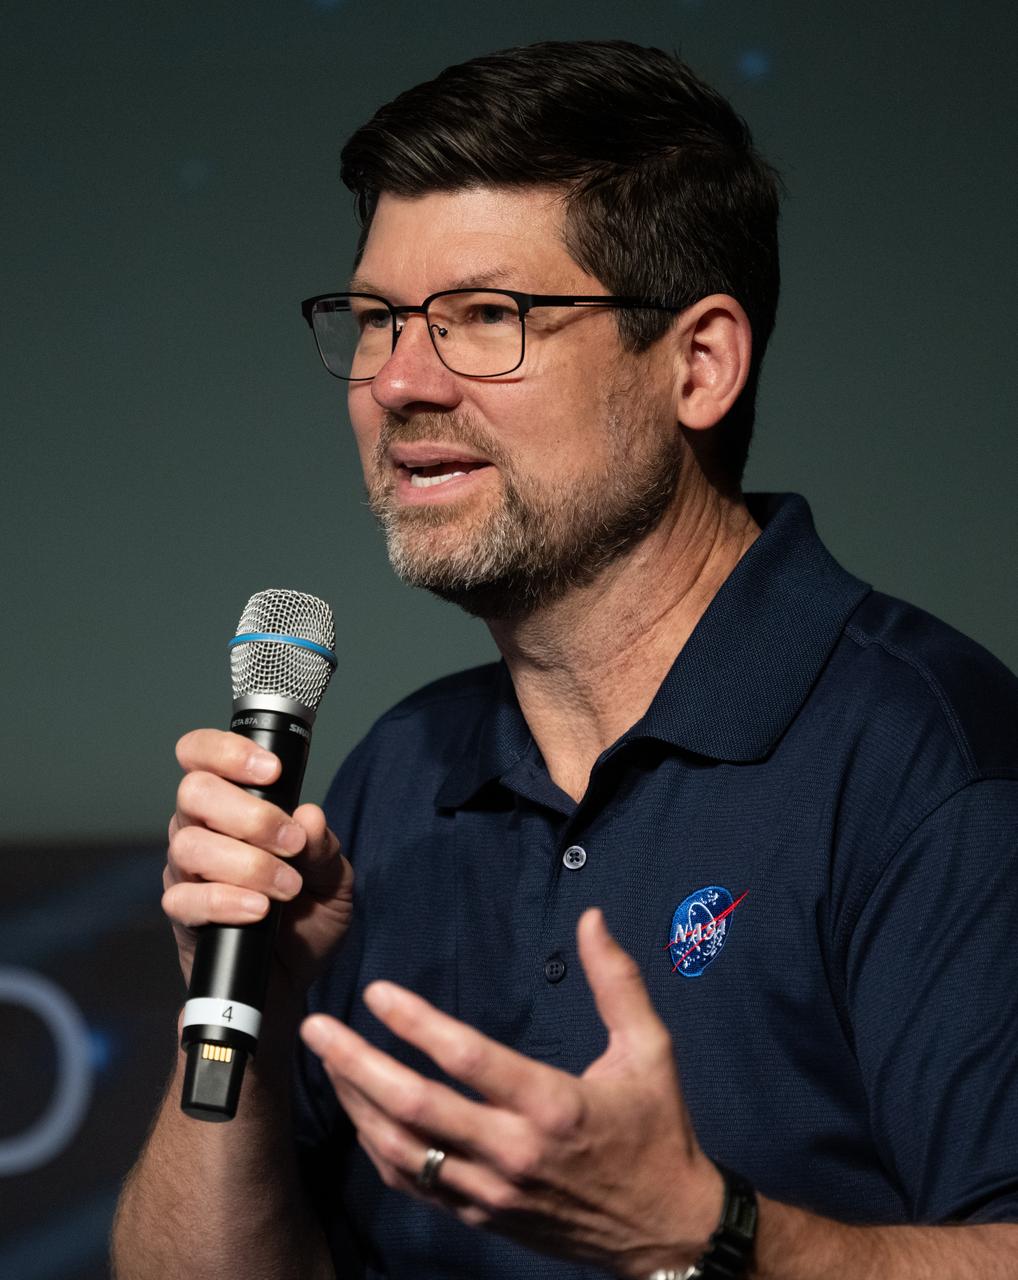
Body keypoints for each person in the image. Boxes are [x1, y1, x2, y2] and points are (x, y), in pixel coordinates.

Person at [112, 40, 1018, 1279]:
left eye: (487, 316)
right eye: (375, 320)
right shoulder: (396, 775)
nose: (398, 381)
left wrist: (708, 1234)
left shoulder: (928, 758)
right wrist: (246, 1019)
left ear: (697, 364)